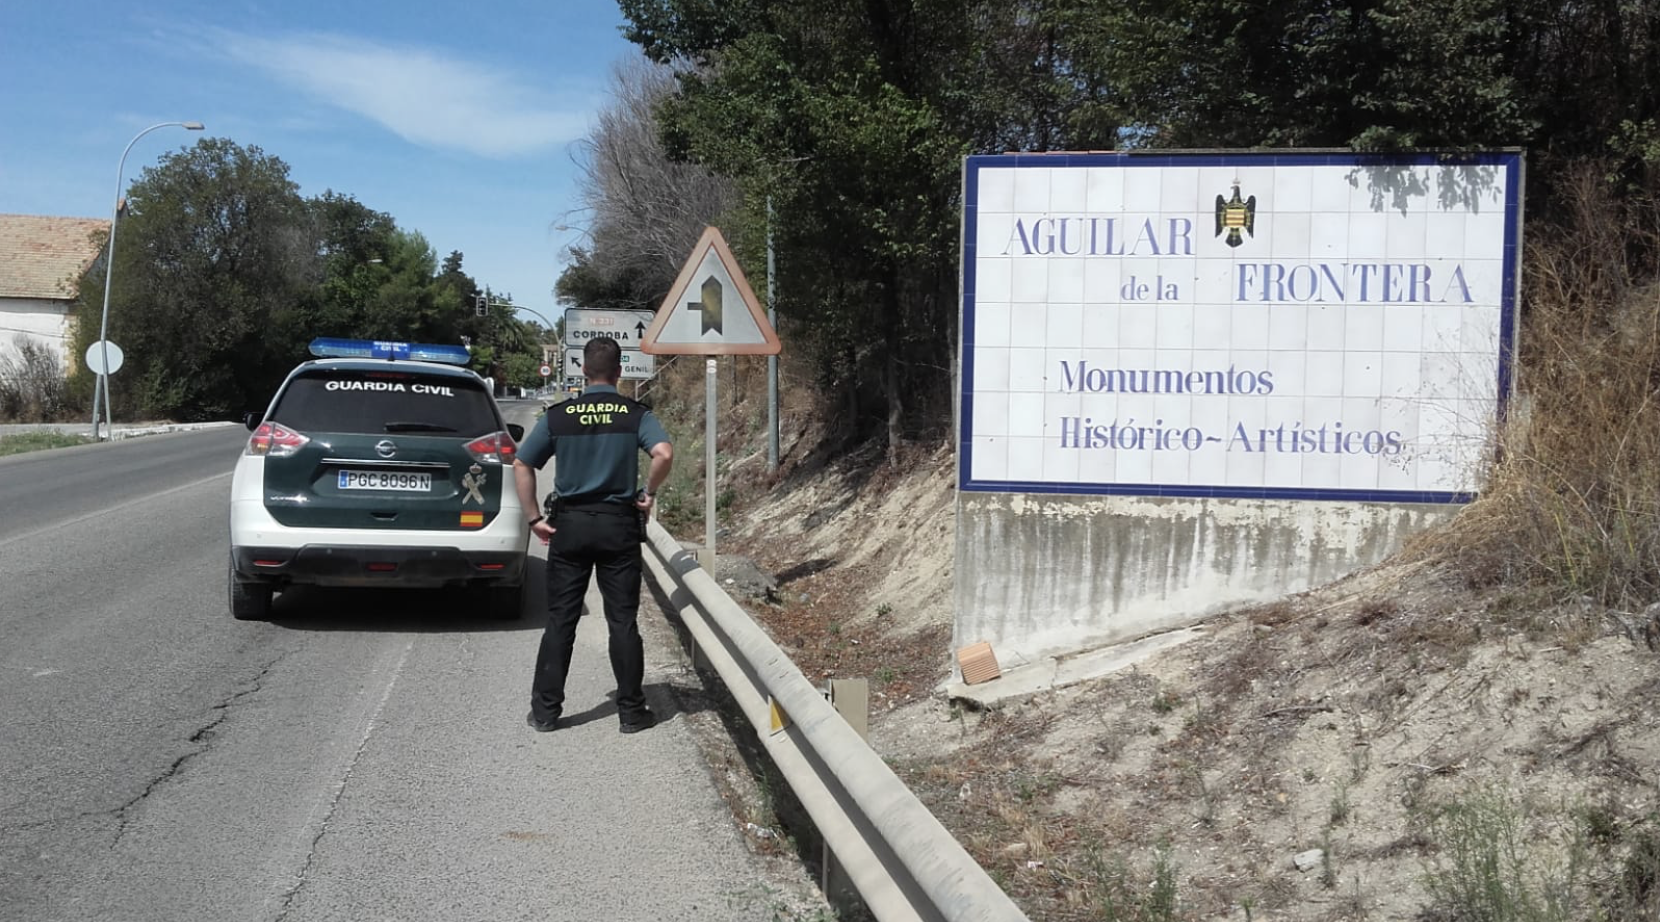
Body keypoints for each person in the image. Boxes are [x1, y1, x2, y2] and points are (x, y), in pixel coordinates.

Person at [512, 336, 673, 734]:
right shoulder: (635, 415)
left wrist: (534, 520)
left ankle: (547, 713)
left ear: (582, 370)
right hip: (618, 525)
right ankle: (632, 713)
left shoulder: (559, 416)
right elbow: (664, 454)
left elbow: (522, 463)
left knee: (561, 621)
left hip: (570, 526)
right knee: (622, 621)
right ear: (619, 372)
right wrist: (648, 494)